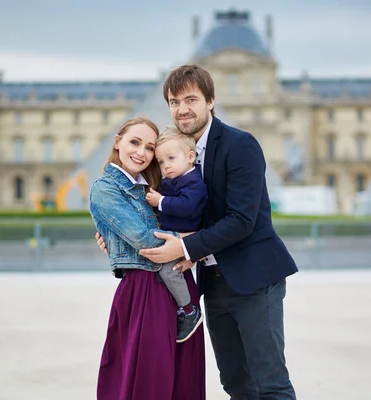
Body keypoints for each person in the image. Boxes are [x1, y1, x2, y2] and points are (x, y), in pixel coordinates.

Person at [136, 65, 300, 399]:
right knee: (236, 384)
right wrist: (115, 234)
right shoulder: (173, 155)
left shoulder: (241, 145)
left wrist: (183, 249)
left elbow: (243, 219)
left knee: (270, 384)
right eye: (174, 101)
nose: (182, 109)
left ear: (211, 101)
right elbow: (160, 210)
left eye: (191, 99)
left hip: (254, 279)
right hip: (214, 283)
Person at [89, 117, 206, 400]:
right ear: (117, 142)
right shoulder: (105, 188)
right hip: (144, 288)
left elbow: (197, 212)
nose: (142, 152)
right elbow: (143, 239)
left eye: (149, 147)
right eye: (134, 142)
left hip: (179, 283)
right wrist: (194, 242)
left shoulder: (157, 185)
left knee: (183, 377)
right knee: (149, 379)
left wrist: (192, 242)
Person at [145, 127, 208, 343]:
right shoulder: (174, 180)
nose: (166, 166)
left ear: (191, 157)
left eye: (171, 158)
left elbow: (187, 206)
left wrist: (160, 201)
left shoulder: (194, 181)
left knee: (169, 272)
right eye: (161, 162)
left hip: (182, 236)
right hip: (172, 233)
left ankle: (189, 311)